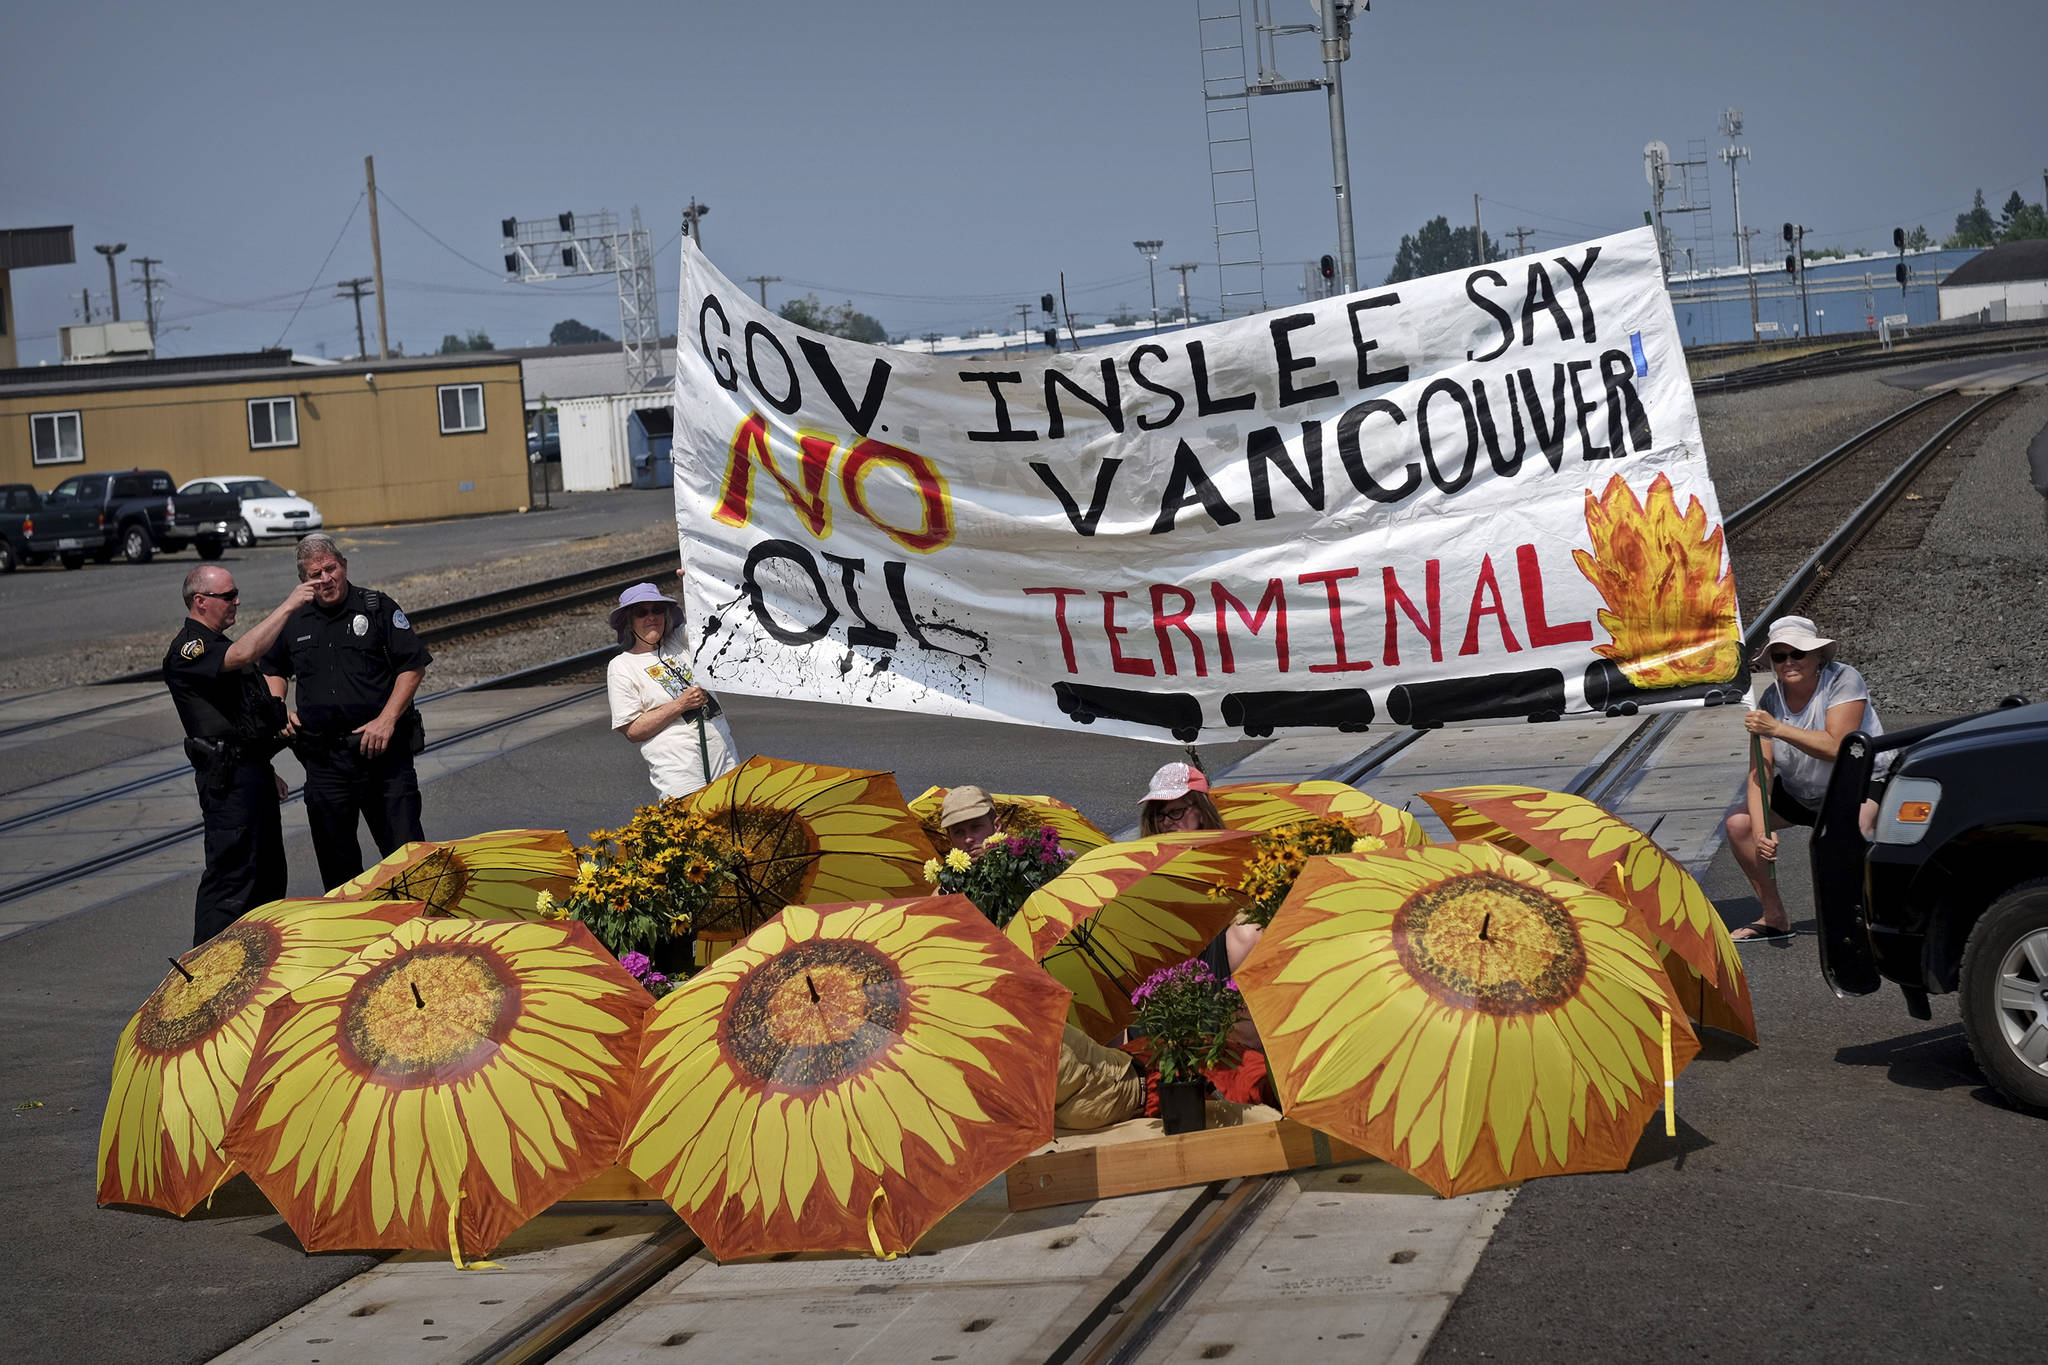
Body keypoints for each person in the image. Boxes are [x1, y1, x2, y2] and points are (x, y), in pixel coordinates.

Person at [261, 534, 431, 890]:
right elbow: (272, 667)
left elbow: (412, 665)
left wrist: (387, 720)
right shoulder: (294, 619)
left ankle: (421, 935)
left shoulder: (377, 608)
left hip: (383, 756)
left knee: (408, 862)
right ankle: (354, 941)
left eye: (330, 568)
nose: (325, 579)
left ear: (344, 566)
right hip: (325, 762)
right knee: (338, 871)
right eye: (315, 574)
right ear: (303, 581)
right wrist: (279, 706)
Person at [164, 565, 315, 943]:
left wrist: (266, 767)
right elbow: (246, 651)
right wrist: (289, 606)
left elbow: (240, 716)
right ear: (200, 601)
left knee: (266, 876)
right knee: (232, 881)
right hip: (227, 784)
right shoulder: (191, 648)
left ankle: (253, 966)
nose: (237, 601)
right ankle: (203, 973)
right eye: (228, 596)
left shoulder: (216, 643)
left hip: (250, 774)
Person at [1725, 615, 1889, 941]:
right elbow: (1761, 773)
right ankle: (1774, 916)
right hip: (1805, 790)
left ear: (1817, 656)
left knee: (1855, 828)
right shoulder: (1770, 700)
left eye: (1797, 653)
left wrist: (1777, 728)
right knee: (1739, 826)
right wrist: (1761, 834)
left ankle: (1874, 919)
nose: (1789, 662)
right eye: (1779, 656)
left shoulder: (1843, 678)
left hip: (1856, 783)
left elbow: (1837, 747)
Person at [606, 582, 737, 799]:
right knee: (690, 830)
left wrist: (693, 579)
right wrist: (679, 705)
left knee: (735, 826)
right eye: (641, 612)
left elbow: (707, 620)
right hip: (680, 774)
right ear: (629, 622)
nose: (651, 617)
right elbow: (633, 731)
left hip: (724, 760)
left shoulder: (680, 643)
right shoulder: (622, 666)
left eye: (657, 610)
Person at [938, 784, 1002, 853]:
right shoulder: (944, 863)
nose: (968, 840)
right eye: (958, 832)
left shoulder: (1013, 859)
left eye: (976, 827)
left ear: (996, 826)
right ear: (950, 838)